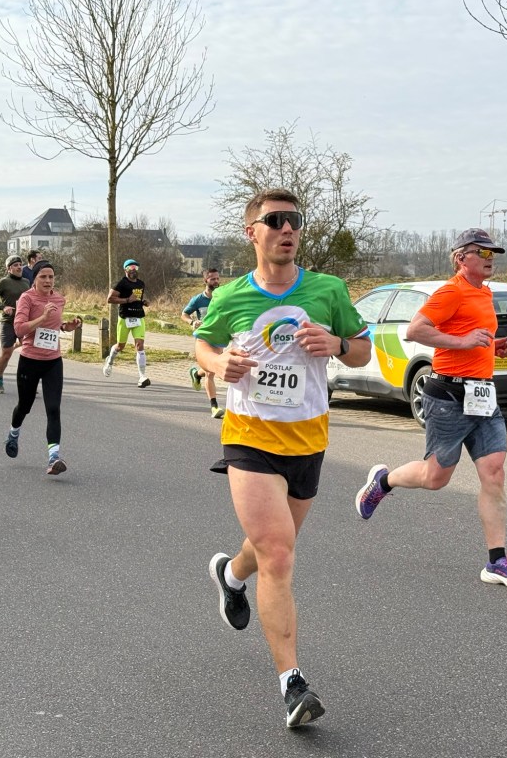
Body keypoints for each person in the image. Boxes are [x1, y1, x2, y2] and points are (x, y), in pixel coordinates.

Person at [194, 189, 371, 728]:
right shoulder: (230, 296)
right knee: (279, 553)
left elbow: (364, 348)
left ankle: (230, 574)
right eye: (275, 220)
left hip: (308, 440)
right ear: (252, 232)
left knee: (272, 545)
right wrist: (218, 362)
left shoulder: (328, 289)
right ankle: (293, 683)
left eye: (294, 220)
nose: (287, 228)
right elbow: (202, 345)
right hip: (249, 437)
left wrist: (337, 345)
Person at [353, 227, 507, 590]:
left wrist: (491, 347)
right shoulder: (451, 291)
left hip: (482, 395)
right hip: (449, 396)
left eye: (493, 254)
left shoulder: (484, 292)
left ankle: (497, 562)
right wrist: (463, 341)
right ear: (461, 258)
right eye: (483, 253)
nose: (490, 259)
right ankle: (383, 481)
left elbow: (471, 337)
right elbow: (416, 330)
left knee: (494, 473)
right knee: (436, 478)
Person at [4, 261, 83, 473]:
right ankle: (13, 433)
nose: (48, 281)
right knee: (25, 406)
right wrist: (43, 317)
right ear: (35, 279)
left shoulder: (59, 299)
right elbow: (19, 329)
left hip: (53, 361)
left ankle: (53, 458)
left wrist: (67, 327)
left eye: (51, 277)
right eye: (43, 277)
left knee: (53, 408)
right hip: (30, 361)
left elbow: (55, 325)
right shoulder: (26, 298)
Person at [182, 267, 225, 419]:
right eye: (213, 279)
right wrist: (192, 322)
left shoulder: (222, 296)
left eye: (217, 278)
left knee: (211, 368)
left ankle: (196, 374)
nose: (216, 281)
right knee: (210, 372)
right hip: (204, 338)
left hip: (219, 337)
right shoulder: (198, 299)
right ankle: (214, 407)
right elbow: (184, 314)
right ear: (205, 280)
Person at [102, 258, 150, 387]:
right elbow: (110, 299)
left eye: (136, 268)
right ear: (125, 270)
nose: (134, 270)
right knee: (120, 346)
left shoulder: (141, 283)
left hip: (139, 318)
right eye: (131, 267)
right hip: (125, 318)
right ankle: (110, 361)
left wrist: (143, 302)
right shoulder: (121, 284)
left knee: (139, 345)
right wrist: (127, 300)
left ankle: (142, 377)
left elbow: (137, 299)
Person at [0, 255, 30, 394]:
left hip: (23, 322)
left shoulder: (26, 282)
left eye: (20, 264)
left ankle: (29, 382)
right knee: (6, 354)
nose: (19, 267)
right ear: (9, 268)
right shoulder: (3, 282)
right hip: (8, 322)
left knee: (30, 352)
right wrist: (3, 307)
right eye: (15, 265)